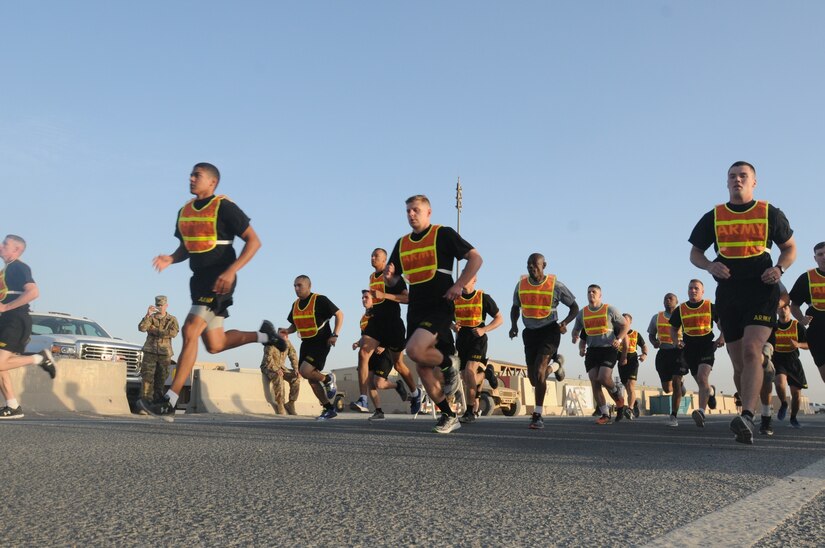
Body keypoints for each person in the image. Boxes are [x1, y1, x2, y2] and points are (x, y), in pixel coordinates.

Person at [139, 163, 286, 419]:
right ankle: (264, 336)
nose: (191, 178)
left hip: (221, 280)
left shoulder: (225, 207)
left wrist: (231, 271)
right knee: (214, 345)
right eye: (191, 174)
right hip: (198, 281)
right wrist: (170, 258)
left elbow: (254, 241)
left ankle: (169, 401)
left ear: (212, 182)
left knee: (189, 329)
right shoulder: (184, 211)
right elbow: (187, 248)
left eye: (198, 175)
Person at [688, 161, 796, 444]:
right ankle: (754, 411)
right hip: (729, 294)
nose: (737, 180)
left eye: (743, 176)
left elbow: (790, 248)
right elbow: (695, 253)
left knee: (751, 350)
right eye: (732, 176)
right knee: (740, 365)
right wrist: (710, 266)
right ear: (727, 182)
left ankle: (747, 415)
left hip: (762, 289)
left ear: (754, 182)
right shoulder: (714, 215)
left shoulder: (769, 213)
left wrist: (780, 269)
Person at [385, 195, 482, 434]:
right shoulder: (402, 243)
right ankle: (449, 415)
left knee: (414, 351)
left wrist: (459, 284)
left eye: (416, 210)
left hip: (440, 304)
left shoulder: (443, 234)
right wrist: (391, 278)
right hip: (416, 307)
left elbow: (476, 258)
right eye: (407, 211)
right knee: (422, 367)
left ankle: (449, 364)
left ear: (428, 212)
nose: (411, 215)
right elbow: (397, 279)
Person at [509, 253, 578, 430]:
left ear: (544, 265)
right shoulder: (521, 284)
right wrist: (514, 325)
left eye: (535, 264)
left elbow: (574, 307)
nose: (531, 267)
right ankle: (556, 366)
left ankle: (537, 415)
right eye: (528, 264)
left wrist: (564, 322)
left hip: (550, 331)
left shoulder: (556, 285)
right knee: (534, 379)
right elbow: (515, 307)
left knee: (540, 372)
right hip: (530, 333)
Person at [350, 248, 421, 415]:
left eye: (376, 256)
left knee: (399, 364)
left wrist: (384, 296)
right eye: (371, 255)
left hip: (393, 324)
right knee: (363, 354)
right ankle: (363, 398)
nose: (373, 258)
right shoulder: (372, 277)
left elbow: (408, 298)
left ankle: (416, 393)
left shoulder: (394, 277)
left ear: (385, 260)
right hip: (376, 322)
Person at [0, 235, 57, 419]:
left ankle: (39, 358)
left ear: (16, 250)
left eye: (5, 244)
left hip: (15, 321)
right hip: (6, 320)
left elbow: (33, 292)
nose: (1, 246)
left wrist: (7, 307)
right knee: (2, 367)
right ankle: (12, 406)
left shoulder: (19, 267)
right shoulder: (7, 269)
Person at [284, 275, 343, 420]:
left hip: (322, 341)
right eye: (294, 286)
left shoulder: (320, 300)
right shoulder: (295, 305)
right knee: (310, 378)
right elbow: (294, 325)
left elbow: (339, 314)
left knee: (305, 370)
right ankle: (329, 409)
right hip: (306, 343)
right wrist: (286, 331)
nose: (296, 288)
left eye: (299, 285)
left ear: (308, 286)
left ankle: (328, 379)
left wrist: (335, 334)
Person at [667, 280, 724, 428]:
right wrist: (675, 341)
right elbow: (673, 329)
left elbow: (722, 324)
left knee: (702, 376)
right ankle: (710, 392)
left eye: (696, 288)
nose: (693, 291)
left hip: (706, 346)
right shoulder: (681, 309)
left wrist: (721, 337)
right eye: (690, 288)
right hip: (689, 348)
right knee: (701, 382)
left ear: (702, 291)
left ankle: (701, 412)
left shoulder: (710, 307)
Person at [571, 284, 628, 425]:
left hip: (608, 348)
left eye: (594, 292)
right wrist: (577, 340)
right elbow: (578, 330)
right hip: (592, 350)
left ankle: (618, 396)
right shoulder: (582, 313)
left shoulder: (609, 310)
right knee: (594, 380)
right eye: (589, 292)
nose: (591, 294)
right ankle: (605, 414)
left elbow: (625, 325)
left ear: (600, 295)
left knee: (603, 377)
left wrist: (619, 339)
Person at [352, 289, 412, 421]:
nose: (363, 300)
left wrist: (383, 344)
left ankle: (398, 385)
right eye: (362, 298)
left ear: (375, 299)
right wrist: (358, 342)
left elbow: (388, 330)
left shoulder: (380, 314)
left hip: (384, 350)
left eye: (366, 297)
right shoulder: (364, 317)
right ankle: (378, 411)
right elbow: (367, 336)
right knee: (369, 382)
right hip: (370, 351)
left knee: (378, 382)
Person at [454, 276, 503, 424]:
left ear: (474, 279)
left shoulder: (483, 297)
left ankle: (469, 412)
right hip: (462, 341)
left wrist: (484, 329)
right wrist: (452, 326)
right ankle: (485, 373)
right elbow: (444, 318)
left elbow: (499, 318)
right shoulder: (455, 298)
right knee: (466, 378)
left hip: (478, 340)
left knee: (469, 372)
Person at [759, 302, 809, 434]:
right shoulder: (773, 326)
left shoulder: (797, 326)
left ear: (790, 310)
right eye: (780, 308)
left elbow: (809, 344)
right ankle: (784, 403)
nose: (783, 311)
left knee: (796, 394)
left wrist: (798, 344)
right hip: (778, 360)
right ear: (776, 311)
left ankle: (793, 418)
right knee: (780, 383)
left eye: (785, 308)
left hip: (793, 361)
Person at [789, 241, 825, 388]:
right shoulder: (807, 278)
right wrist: (801, 319)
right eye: (820, 254)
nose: (824, 257)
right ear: (815, 258)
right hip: (817, 332)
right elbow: (794, 305)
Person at [136, 295, 180, 410]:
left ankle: (157, 403)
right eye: (158, 305)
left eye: (161, 305)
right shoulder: (151, 317)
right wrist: (148, 314)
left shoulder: (172, 319)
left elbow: (173, 333)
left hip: (165, 354)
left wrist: (154, 330)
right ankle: (145, 403)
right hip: (150, 352)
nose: (159, 307)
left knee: (161, 378)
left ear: (166, 306)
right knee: (147, 377)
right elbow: (142, 328)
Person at [647, 293, 685, 416]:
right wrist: (654, 342)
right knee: (667, 389)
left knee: (676, 380)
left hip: (678, 352)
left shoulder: (683, 316)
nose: (668, 300)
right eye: (665, 299)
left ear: (676, 301)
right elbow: (651, 335)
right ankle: (680, 385)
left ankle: (673, 415)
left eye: (670, 299)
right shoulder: (656, 317)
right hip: (663, 353)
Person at [260, 330, 300, 415]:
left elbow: (293, 355)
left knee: (296, 377)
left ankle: (291, 403)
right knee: (278, 376)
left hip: (281, 367)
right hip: (268, 367)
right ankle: (280, 404)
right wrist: (275, 369)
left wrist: (296, 369)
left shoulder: (287, 343)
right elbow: (268, 360)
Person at [618, 313, 648, 420]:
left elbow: (644, 346)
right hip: (621, 361)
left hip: (632, 360)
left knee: (631, 385)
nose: (624, 321)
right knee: (627, 386)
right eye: (622, 320)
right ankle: (634, 403)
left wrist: (644, 354)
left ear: (630, 322)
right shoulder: (617, 333)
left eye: (626, 320)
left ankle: (629, 409)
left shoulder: (636, 334)